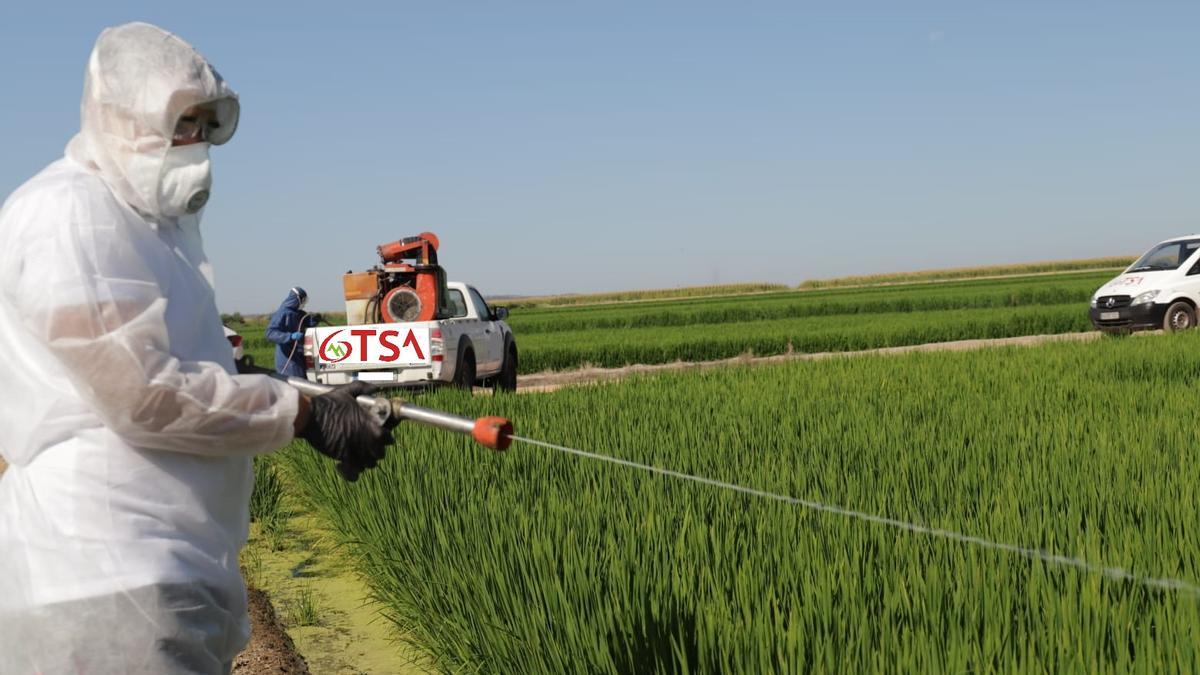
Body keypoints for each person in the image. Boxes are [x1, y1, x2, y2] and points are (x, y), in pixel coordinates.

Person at [0, 23, 392, 674]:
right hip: (101, 577)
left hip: (154, 576)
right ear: (119, 119)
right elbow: (141, 394)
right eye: (183, 124)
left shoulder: (152, 234)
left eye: (207, 128)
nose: (198, 146)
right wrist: (299, 411)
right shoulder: (71, 212)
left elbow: (177, 369)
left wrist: (279, 390)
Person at [266, 286, 319, 377]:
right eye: (303, 300)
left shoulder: (298, 313)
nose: (303, 303)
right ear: (297, 299)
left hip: (299, 354)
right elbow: (270, 333)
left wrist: (315, 319)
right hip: (287, 357)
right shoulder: (282, 313)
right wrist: (290, 336)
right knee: (294, 383)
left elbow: (307, 321)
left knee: (303, 381)